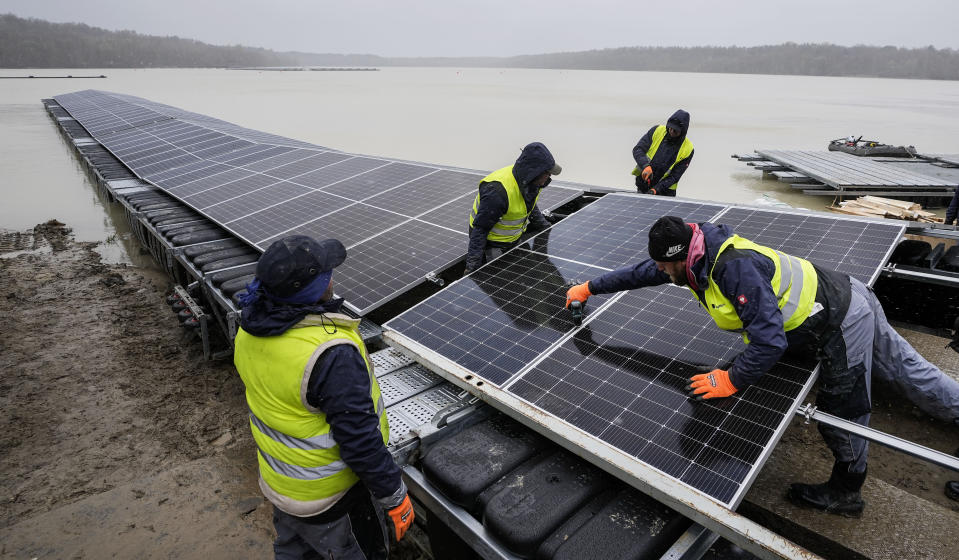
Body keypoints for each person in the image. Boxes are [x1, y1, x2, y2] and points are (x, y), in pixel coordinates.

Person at [565, 216, 959, 516]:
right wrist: (589, 287)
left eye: (667, 267)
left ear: (682, 256)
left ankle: (847, 492)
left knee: (843, 410)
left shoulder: (732, 268)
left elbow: (770, 340)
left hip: (841, 319)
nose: (664, 274)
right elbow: (642, 273)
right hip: (846, 292)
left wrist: (732, 379)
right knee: (913, 372)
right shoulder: (692, 253)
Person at [234, 235, 413, 559]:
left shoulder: (250, 328)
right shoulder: (330, 354)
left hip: (282, 485)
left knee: (294, 551)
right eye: (326, 273)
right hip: (333, 500)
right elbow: (359, 441)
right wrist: (394, 495)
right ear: (313, 289)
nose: (333, 276)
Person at [465, 142, 562, 274]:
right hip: (493, 243)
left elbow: (528, 205)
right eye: (547, 173)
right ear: (535, 171)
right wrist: (472, 267)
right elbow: (480, 230)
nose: (549, 177)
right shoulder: (497, 191)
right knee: (501, 282)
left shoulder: (532, 181)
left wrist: (544, 226)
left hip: (514, 238)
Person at [631, 110, 694, 196]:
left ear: (682, 132)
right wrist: (645, 166)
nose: (671, 131)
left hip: (665, 193)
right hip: (643, 186)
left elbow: (675, 176)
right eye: (670, 128)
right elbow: (638, 149)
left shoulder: (688, 149)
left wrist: (656, 190)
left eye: (675, 131)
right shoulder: (657, 131)